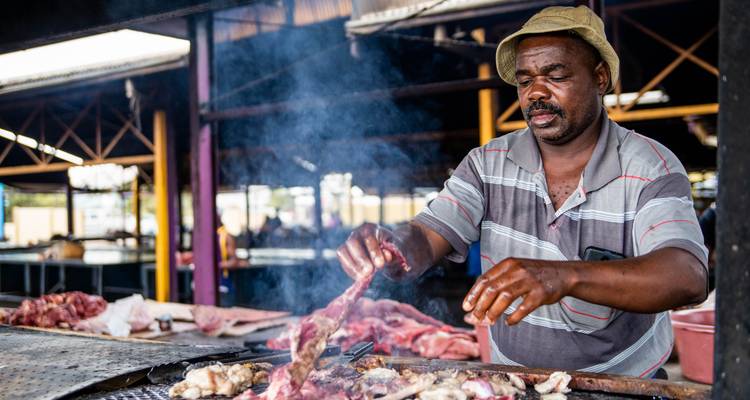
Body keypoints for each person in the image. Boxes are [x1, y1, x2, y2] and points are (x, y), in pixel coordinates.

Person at [337, 5, 707, 377]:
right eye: (525, 80)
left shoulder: (649, 166)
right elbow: (426, 235)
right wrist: (394, 247)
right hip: (514, 383)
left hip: (622, 385)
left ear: (600, 78)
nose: (536, 93)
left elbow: (687, 276)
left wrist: (564, 277)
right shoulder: (487, 163)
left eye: (555, 75)